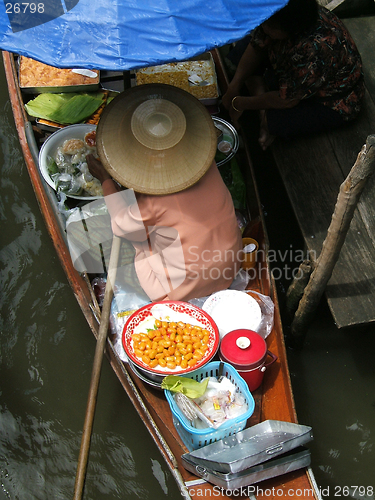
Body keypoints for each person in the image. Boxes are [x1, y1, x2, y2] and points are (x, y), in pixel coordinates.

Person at [76, 83, 243, 303]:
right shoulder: (203, 162)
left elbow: (121, 225)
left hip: (185, 289)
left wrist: (106, 180)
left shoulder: (154, 201)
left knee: (138, 241)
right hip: (229, 268)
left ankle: (165, 293)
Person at [222, 0, 365, 150]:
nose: (264, 26)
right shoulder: (280, 15)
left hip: (329, 99)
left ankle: (263, 116)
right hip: (296, 72)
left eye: (271, 27)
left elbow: (286, 100)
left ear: (290, 29)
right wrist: (234, 86)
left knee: (275, 122)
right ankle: (262, 110)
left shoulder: (314, 50)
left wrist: (239, 103)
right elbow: (257, 45)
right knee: (241, 52)